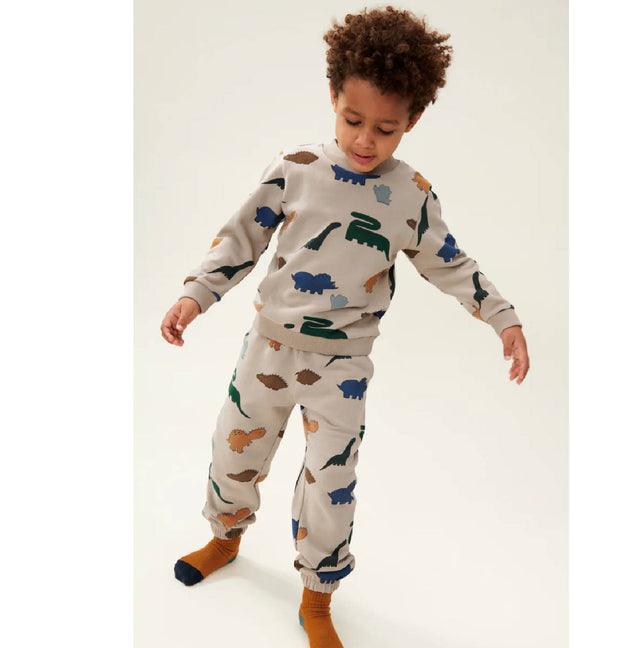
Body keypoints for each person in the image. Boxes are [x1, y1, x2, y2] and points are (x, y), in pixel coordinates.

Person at [160, 6, 530, 647]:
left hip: (343, 367)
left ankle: (317, 595)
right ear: (333, 95)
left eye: (386, 129)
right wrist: (196, 295)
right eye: (353, 120)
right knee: (234, 450)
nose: (365, 140)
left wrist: (503, 319)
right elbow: (241, 238)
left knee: (330, 482)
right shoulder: (296, 167)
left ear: (412, 120)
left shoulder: (411, 195)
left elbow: (451, 263)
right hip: (268, 347)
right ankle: (225, 537)